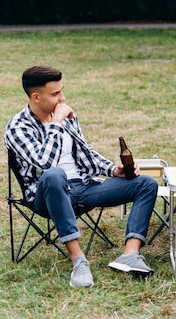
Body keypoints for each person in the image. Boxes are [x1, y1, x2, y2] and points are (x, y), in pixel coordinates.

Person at [4, 66, 158, 288]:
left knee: (145, 183)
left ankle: (130, 255)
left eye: (62, 91)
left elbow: (86, 153)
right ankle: (79, 260)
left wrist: (113, 170)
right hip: (46, 195)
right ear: (36, 97)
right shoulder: (18, 127)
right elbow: (45, 163)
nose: (63, 98)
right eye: (55, 94)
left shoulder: (66, 118)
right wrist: (56, 123)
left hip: (82, 188)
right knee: (55, 174)